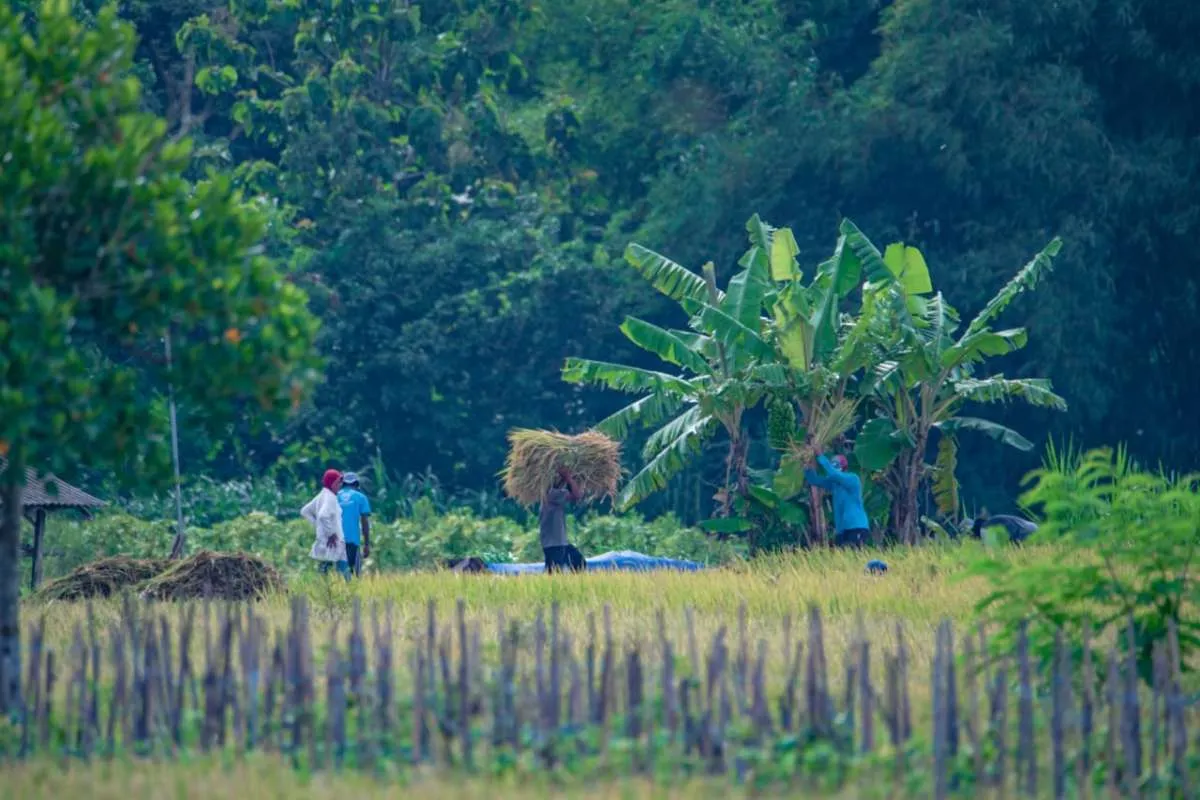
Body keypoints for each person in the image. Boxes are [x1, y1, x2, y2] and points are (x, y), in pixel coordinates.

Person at [804, 452, 870, 548]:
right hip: (841, 529)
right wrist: (807, 467)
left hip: (856, 527)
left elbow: (835, 474)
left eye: (835, 465)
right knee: (842, 558)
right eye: (832, 464)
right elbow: (814, 480)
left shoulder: (853, 479)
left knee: (854, 555)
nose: (832, 467)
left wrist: (820, 456)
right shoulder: (834, 484)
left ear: (843, 467)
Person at [302, 468, 350, 580]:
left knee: (324, 568)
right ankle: (349, 589)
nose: (340, 485)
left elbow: (305, 511)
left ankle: (325, 591)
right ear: (332, 483)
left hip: (325, 539)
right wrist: (331, 533)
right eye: (338, 482)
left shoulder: (322, 495)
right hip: (333, 540)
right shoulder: (330, 498)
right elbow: (323, 515)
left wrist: (319, 527)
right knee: (342, 566)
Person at [540, 467, 585, 573]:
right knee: (555, 572)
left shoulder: (549, 494)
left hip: (558, 543)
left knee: (578, 561)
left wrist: (566, 478)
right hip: (555, 544)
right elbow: (577, 495)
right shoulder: (552, 494)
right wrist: (568, 478)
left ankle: (572, 584)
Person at [337, 471, 372, 577]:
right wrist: (366, 544)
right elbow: (364, 522)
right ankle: (354, 593)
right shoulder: (360, 497)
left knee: (341, 575)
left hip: (337, 541)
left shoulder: (335, 496)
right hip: (353, 541)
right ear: (356, 484)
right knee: (356, 576)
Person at [970, 513, 1038, 544]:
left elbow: (989, 547)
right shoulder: (995, 520)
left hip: (1024, 532)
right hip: (1033, 526)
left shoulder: (984, 527)